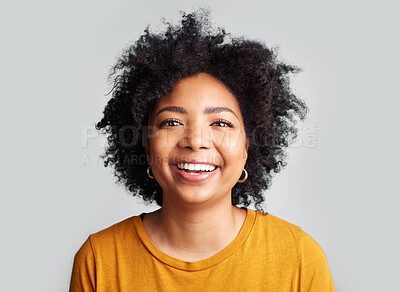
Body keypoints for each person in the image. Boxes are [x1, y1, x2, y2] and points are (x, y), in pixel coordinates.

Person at [69, 7, 335, 291]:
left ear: (247, 147)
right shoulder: (100, 260)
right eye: (171, 122)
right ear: (145, 145)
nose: (195, 141)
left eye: (220, 123)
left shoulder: (299, 257)